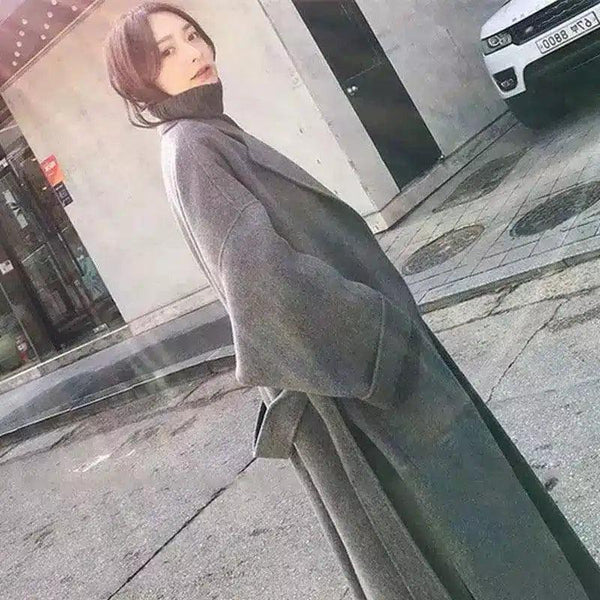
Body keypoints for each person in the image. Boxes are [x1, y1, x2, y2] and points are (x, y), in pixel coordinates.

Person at [104, 3, 600, 599]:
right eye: (166, 51)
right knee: (472, 528)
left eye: (191, 35)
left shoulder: (205, 133)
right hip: (362, 381)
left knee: (468, 525)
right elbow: (263, 284)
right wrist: (383, 337)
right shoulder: (193, 146)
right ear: (140, 78)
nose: (193, 52)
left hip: (356, 371)